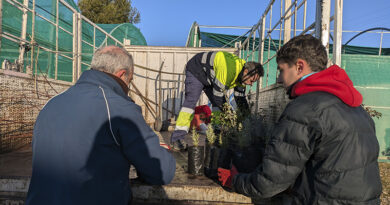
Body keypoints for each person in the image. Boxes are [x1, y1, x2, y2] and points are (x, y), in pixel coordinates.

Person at [217, 34, 382, 204]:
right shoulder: (356, 108)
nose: (279, 79)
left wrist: (235, 180)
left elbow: (270, 182)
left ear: (299, 67)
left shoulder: (305, 109)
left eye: (281, 70)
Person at [26, 46, 176, 205]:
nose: (129, 86)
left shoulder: (51, 104)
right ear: (122, 74)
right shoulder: (119, 107)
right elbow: (161, 171)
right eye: (130, 81)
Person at [171, 51, 264, 151]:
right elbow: (218, 97)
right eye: (252, 80)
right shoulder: (229, 70)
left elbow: (240, 99)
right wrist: (230, 115)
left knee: (217, 107)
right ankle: (177, 139)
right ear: (246, 72)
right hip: (197, 70)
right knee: (190, 103)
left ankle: (215, 136)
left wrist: (248, 119)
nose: (251, 84)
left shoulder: (242, 77)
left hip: (211, 77)